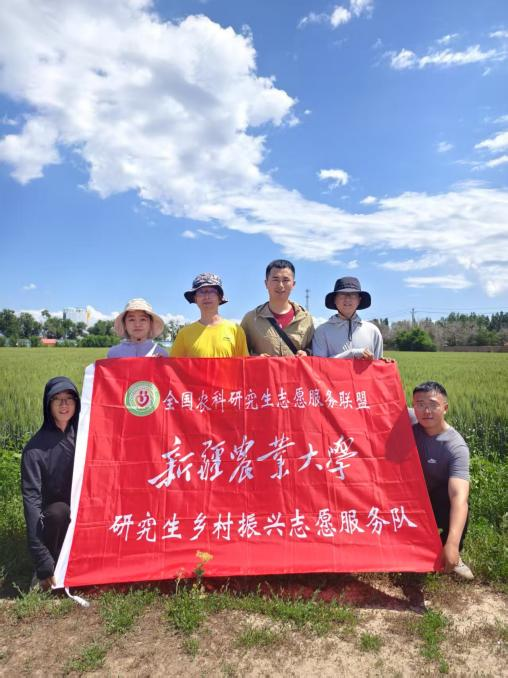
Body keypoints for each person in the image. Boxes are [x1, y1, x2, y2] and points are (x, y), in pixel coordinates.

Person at [21, 376, 81, 590]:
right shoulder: (34, 449)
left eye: (69, 398)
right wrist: (41, 556)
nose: (64, 404)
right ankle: (50, 565)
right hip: (55, 518)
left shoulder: (85, 436)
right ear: (48, 404)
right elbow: (32, 501)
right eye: (57, 399)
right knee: (58, 511)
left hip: (83, 509)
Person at [410, 381, 473, 579]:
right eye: (420, 404)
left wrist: (452, 544)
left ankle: (451, 554)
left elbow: (459, 496)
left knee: (454, 502)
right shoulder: (409, 420)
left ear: (445, 408)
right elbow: (376, 405)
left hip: (433, 500)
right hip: (408, 496)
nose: (426, 411)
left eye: (433, 405)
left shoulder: (455, 447)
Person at [241, 259, 314, 356]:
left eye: (286, 280)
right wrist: (255, 359)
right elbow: (240, 353)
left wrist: (307, 353)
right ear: (266, 283)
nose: (280, 285)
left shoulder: (305, 318)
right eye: (275, 279)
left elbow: (315, 350)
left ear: (293, 284)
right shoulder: (251, 319)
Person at [170, 273, 248, 357]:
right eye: (201, 292)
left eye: (212, 291)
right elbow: (173, 364)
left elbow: (244, 364)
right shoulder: (184, 334)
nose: (206, 296)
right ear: (195, 298)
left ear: (220, 297)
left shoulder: (235, 331)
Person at [312, 276, 383, 359]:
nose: (347, 299)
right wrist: (352, 353)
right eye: (342, 294)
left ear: (359, 300)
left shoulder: (373, 331)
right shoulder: (322, 331)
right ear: (335, 300)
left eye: (353, 295)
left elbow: (377, 364)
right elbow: (319, 364)